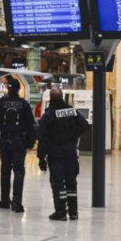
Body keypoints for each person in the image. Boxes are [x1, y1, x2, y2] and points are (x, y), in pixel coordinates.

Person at [37, 88, 90, 221]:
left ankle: (60, 212)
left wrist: (41, 157)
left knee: (58, 182)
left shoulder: (49, 115)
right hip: (70, 151)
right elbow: (84, 125)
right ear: (62, 97)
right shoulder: (71, 111)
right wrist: (73, 135)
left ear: (50, 98)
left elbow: (43, 138)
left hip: (56, 152)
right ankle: (73, 212)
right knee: (71, 180)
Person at [0, 77, 37, 212]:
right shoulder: (24, 104)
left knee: (5, 169)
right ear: (18, 89)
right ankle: (17, 203)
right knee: (19, 170)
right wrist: (30, 143)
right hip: (19, 141)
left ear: (7, 88)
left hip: (4, 140)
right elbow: (31, 125)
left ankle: (5, 201)